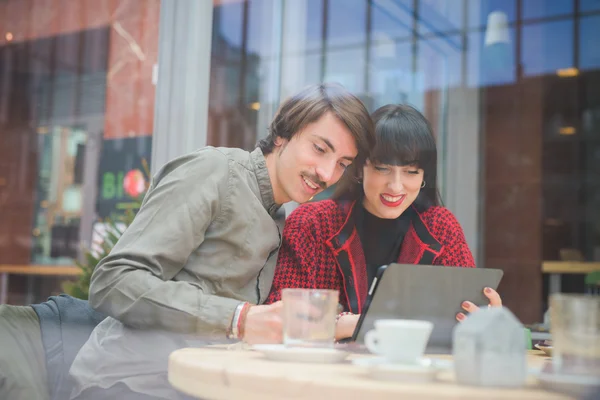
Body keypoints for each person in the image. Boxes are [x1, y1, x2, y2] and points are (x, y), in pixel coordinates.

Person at [69, 83, 374, 400]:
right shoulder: (214, 172)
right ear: (283, 134)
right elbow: (113, 282)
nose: (326, 173)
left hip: (203, 386)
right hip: (128, 383)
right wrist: (238, 319)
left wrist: (338, 325)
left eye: (342, 163)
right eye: (320, 149)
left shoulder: (279, 217)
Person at [265, 104, 502, 340]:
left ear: (424, 177)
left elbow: (466, 319)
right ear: (359, 170)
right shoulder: (312, 223)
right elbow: (282, 318)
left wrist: (485, 317)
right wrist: (366, 324)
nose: (396, 186)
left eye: (411, 172)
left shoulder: (440, 227)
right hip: (329, 372)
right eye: (382, 169)